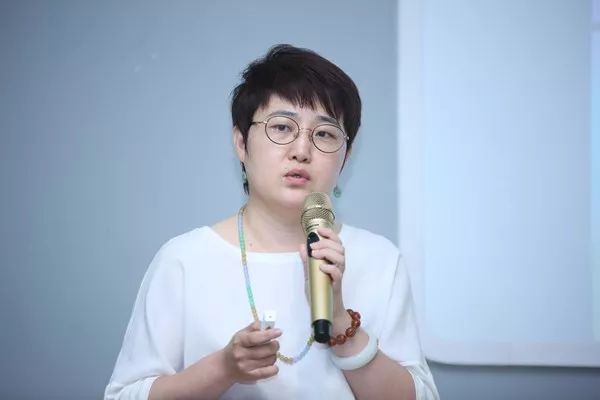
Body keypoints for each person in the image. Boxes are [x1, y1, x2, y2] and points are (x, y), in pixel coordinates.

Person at [104, 44, 439, 400]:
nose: (301, 151)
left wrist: (341, 322)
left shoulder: (379, 260)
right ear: (241, 142)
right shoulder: (183, 260)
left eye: (324, 134)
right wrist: (223, 368)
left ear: (346, 156)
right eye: (281, 127)